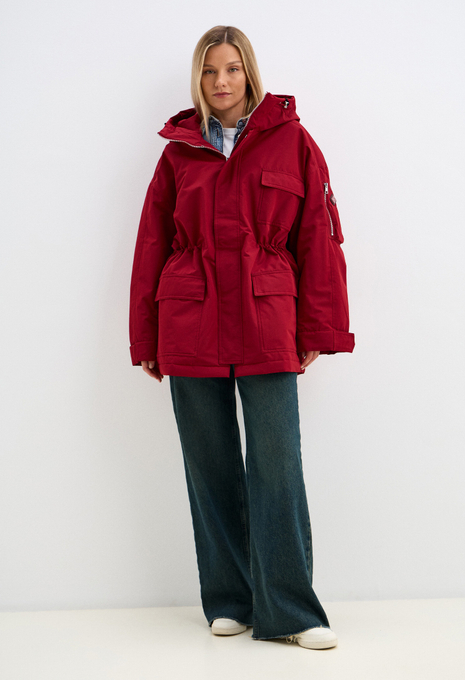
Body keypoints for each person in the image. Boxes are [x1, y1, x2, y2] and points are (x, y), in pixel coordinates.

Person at [129, 25, 355, 650]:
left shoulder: (293, 141)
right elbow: (151, 244)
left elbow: (318, 237)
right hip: (190, 319)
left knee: (277, 466)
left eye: (231, 69)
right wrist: (146, 336)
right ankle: (230, 600)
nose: (221, 82)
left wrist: (318, 327)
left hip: (266, 318)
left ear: (249, 72)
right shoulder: (179, 153)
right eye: (209, 71)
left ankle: (291, 611)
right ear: (198, 79)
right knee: (210, 467)